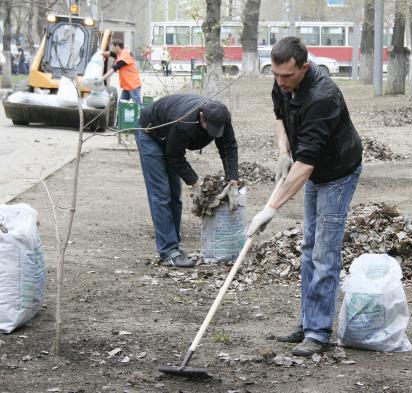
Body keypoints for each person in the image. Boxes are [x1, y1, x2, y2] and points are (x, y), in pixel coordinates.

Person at [247, 37, 363, 356]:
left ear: (305, 68)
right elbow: (279, 117)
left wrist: (269, 209)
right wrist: (284, 151)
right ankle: (308, 321)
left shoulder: (323, 97)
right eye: (276, 74)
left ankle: (319, 333)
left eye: (287, 75)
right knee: (310, 246)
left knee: (325, 251)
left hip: (337, 171)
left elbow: (306, 167)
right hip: (309, 165)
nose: (280, 81)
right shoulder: (282, 83)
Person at [136, 94, 239, 268]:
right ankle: (168, 252)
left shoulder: (221, 117)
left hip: (170, 137)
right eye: (210, 128)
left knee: (175, 194)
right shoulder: (184, 122)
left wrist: (233, 181)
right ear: (201, 118)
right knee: (161, 193)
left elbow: (228, 147)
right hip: (150, 134)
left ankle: (174, 245)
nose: (214, 134)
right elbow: (174, 156)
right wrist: (195, 183)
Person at [101, 39, 142, 105]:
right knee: (121, 105)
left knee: (137, 105)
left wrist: (102, 78)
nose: (112, 49)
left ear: (117, 47)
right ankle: (121, 115)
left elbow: (114, 69)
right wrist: (103, 54)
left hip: (133, 86)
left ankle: (142, 115)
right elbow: (112, 54)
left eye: (113, 47)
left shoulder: (124, 57)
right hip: (127, 86)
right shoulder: (120, 53)